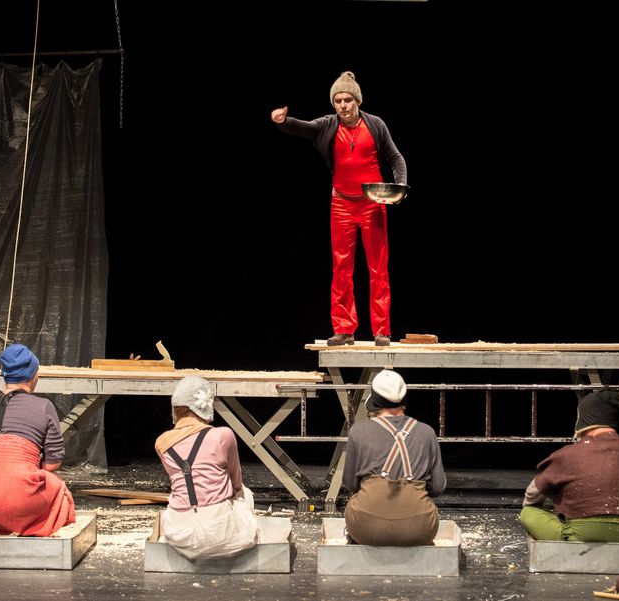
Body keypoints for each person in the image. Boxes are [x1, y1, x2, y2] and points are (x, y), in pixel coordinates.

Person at [271, 71, 407, 347]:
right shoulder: (328, 125)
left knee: (378, 268)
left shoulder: (376, 125)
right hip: (341, 204)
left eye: (347, 100)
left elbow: (396, 158)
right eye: (338, 101)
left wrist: (400, 186)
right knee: (341, 267)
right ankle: (344, 329)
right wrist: (284, 122)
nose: (343, 106)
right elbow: (303, 127)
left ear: (358, 101)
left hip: (371, 204)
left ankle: (382, 330)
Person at [0, 343, 75, 536]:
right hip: (16, 497)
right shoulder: (44, 406)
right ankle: (20, 523)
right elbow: (53, 463)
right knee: (57, 485)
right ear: (34, 376)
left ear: (4, 375)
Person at [520, 390, 619, 542]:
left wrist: (539, 508)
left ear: (583, 418)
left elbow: (533, 493)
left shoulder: (568, 454)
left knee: (528, 512)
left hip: (583, 536)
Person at [155, 375, 260, 560]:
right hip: (220, 533)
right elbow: (236, 484)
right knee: (245, 493)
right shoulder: (223, 435)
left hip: (180, 534)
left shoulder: (161, 443)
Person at [343, 369, 446, 545]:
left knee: (354, 504)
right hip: (419, 529)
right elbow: (437, 487)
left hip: (366, 529)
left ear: (374, 401)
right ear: (404, 399)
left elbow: (350, 483)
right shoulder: (427, 432)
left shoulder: (358, 431)